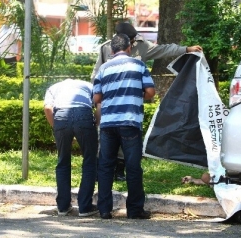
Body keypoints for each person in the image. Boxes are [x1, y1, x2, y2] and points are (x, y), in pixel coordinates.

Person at [92, 22, 202, 181]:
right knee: (103, 136)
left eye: (133, 38)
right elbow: (97, 74)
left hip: (130, 106)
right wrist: (98, 102)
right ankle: (101, 170)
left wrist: (186, 49)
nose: (132, 42)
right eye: (129, 39)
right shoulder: (107, 48)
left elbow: (163, 49)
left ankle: (120, 171)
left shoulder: (142, 47)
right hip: (108, 102)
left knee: (127, 139)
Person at [93, 33, 156, 219]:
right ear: (129, 48)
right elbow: (150, 92)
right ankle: (135, 210)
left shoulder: (103, 68)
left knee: (105, 166)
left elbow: (96, 98)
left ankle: (104, 210)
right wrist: (135, 95)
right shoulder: (139, 65)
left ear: (111, 50)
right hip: (130, 121)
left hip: (108, 124)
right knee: (133, 166)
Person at [44, 78, 98, 217]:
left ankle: (63, 207)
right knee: (90, 160)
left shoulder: (53, 87)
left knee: (63, 161)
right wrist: (95, 124)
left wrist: (57, 128)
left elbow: (48, 108)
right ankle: (85, 207)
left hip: (61, 116)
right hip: (84, 114)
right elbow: (99, 104)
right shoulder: (88, 85)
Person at [0, 11, 22, 76]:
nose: (7, 19)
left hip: (11, 56)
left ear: (12, 18)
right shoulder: (2, 27)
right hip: (2, 56)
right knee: (3, 76)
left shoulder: (15, 27)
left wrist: (19, 53)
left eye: (9, 17)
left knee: (11, 75)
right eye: (6, 17)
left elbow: (19, 40)